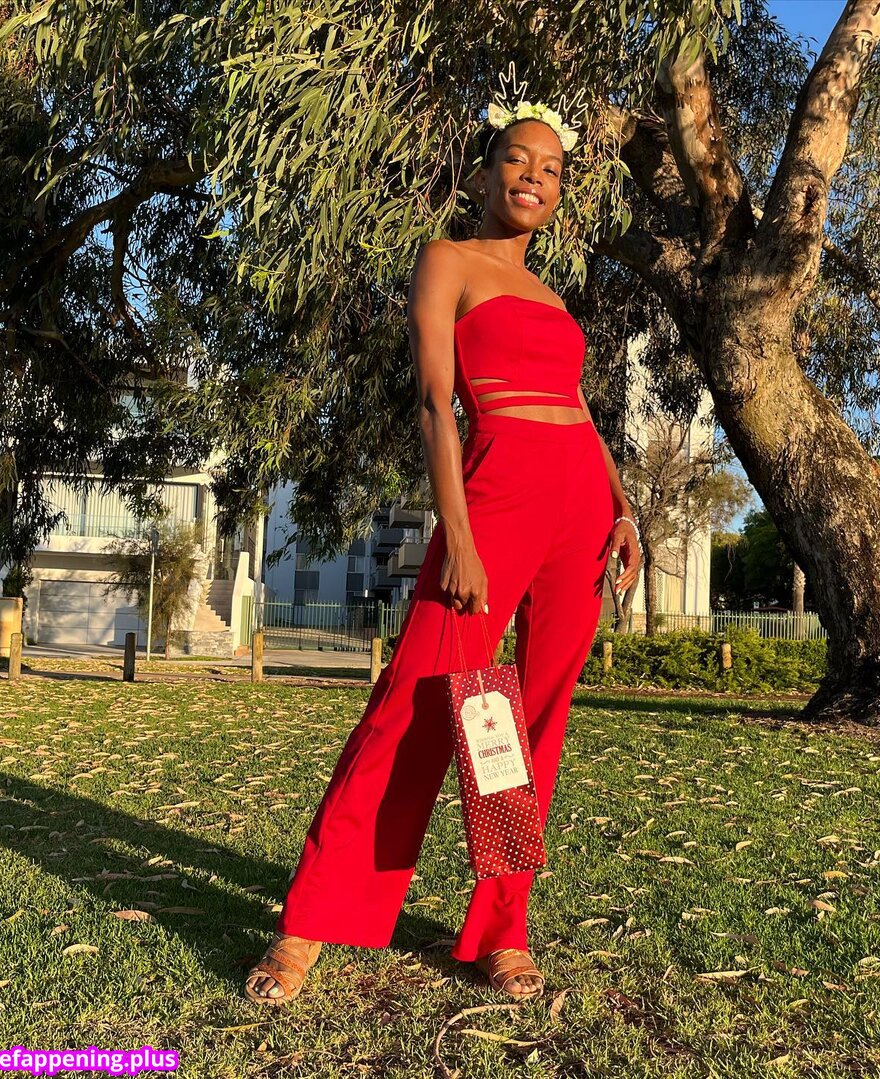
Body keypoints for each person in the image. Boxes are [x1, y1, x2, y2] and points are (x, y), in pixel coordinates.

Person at [244, 89, 641, 1006]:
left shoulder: (555, 299)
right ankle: (310, 919)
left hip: (580, 513)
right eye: (517, 160)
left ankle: (503, 928)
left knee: (534, 727)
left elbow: (579, 411)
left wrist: (624, 508)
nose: (533, 177)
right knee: (413, 705)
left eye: (551, 168)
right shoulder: (448, 260)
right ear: (483, 173)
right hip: (492, 504)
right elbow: (435, 402)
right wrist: (455, 534)